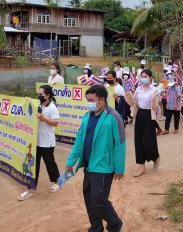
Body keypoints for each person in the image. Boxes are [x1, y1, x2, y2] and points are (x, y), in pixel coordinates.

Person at [66, 85, 125, 232]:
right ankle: (96, 227)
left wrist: (119, 168)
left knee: (99, 200)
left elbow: (120, 144)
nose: (89, 103)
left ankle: (115, 224)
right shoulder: (87, 116)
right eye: (88, 100)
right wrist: (70, 162)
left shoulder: (114, 117)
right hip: (89, 165)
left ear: (102, 99)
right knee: (89, 199)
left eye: (92, 100)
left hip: (104, 167)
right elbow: (79, 141)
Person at [18, 85, 60, 201]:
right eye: (38, 94)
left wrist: (43, 118)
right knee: (33, 165)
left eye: (41, 94)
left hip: (47, 142)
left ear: (48, 95)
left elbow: (56, 123)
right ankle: (31, 187)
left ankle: (57, 181)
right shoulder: (37, 104)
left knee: (49, 163)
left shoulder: (52, 108)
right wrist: (26, 101)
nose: (39, 96)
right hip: (36, 141)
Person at [131, 69, 160, 177]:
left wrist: (154, 100)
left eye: (145, 76)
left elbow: (156, 108)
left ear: (150, 78)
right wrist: (129, 96)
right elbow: (134, 102)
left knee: (148, 142)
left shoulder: (155, 90)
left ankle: (156, 157)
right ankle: (141, 166)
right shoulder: (138, 89)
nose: (143, 78)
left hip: (149, 116)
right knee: (138, 142)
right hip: (140, 115)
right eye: (141, 76)